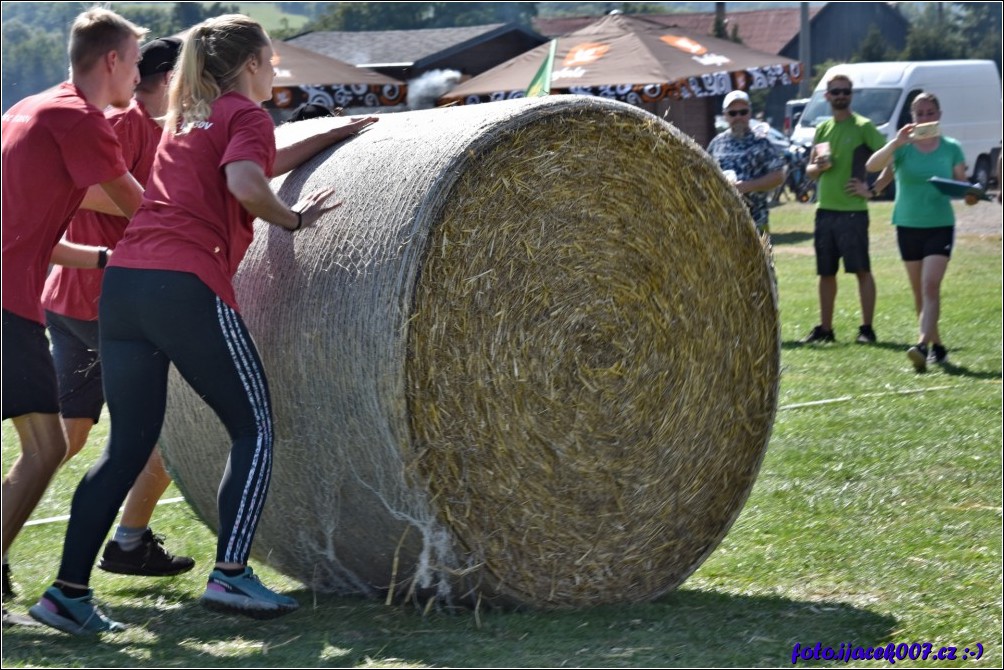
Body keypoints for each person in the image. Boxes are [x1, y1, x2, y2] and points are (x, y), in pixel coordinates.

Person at [29, 14, 378, 635]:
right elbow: (245, 180)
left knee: (126, 447)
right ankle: (231, 573)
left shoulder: (188, 118)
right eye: (271, 60)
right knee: (255, 427)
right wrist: (291, 220)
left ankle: (66, 593)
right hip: (183, 284)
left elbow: (246, 164)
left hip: (125, 289)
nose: (276, 71)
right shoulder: (243, 114)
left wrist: (326, 139)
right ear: (250, 64)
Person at [1, 7, 147, 622]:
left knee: (44, 444)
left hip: (13, 297)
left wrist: (104, 257)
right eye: (137, 64)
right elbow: (142, 206)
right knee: (46, 448)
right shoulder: (79, 118)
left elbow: (34, 228)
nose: (138, 78)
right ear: (111, 60)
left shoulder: (30, 107)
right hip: (8, 303)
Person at [40, 37, 195, 580]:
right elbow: (80, 189)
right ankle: (127, 542)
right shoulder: (131, 123)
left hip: (72, 297)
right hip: (108, 302)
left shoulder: (141, 124)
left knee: (66, 439)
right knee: (174, 431)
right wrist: (158, 209)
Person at [864, 92, 968, 372]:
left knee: (930, 285)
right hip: (907, 225)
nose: (925, 118)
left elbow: (963, 185)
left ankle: (921, 345)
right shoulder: (903, 148)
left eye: (929, 112)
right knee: (920, 294)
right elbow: (871, 166)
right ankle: (939, 347)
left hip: (939, 225)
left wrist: (970, 194)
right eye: (919, 114)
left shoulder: (951, 147)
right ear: (912, 118)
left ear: (939, 114)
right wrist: (895, 143)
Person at [801, 73, 887, 345]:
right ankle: (825, 329)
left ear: (851, 95)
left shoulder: (863, 127)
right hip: (825, 211)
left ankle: (867, 329)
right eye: (835, 91)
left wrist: (871, 190)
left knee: (861, 270)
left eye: (845, 91)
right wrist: (818, 167)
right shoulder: (823, 130)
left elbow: (891, 158)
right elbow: (810, 170)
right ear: (827, 96)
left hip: (853, 212)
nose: (840, 96)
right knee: (826, 273)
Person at [707, 90, 785, 235]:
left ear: (749, 114)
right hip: (724, 225)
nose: (738, 117)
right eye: (732, 113)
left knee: (759, 258)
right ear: (725, 116)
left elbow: (779, 175)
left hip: (756, 221)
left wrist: (748, 186)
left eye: (743, 112)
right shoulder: (716, 144)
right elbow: (705, 176)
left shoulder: (761, 142)